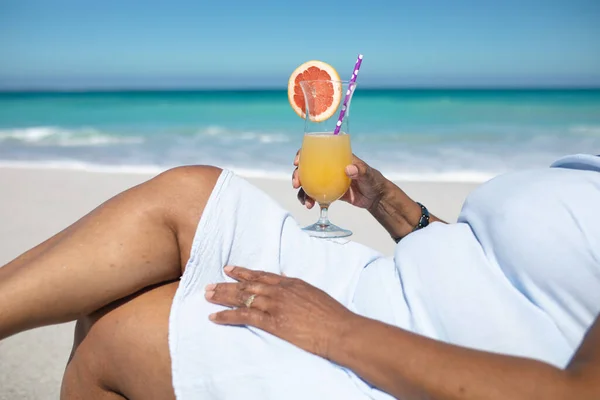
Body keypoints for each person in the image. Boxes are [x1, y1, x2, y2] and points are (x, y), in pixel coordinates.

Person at [0, 152, 599, 400]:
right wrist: (389, 202)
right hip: (387, 292)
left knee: (116, 332)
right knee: (190, 192)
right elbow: (494, 261)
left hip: (422, 365)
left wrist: (336, 332)